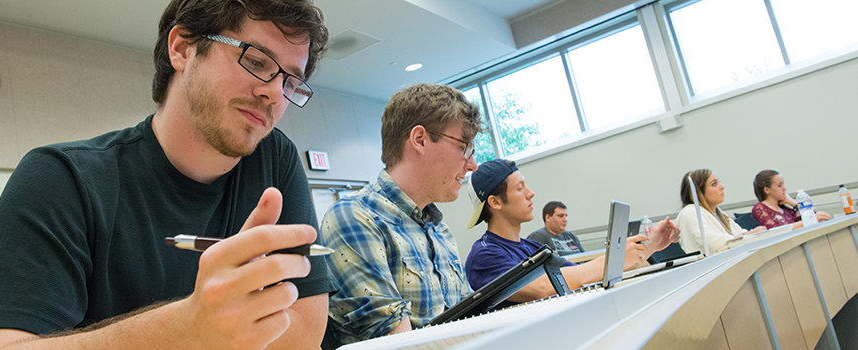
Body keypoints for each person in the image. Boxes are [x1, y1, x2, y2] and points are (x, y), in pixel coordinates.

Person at [0, 1, 334, 349]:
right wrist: (186, 329)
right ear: (183, 48)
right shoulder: (61, 178)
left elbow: (305, 331)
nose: (274, 94)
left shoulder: (275, 159)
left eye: (290, 82)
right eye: (256, 60)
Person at [322, 83, 482, 345]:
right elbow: (397, 342)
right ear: (420, 140)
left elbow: (469, 318)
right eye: (464, 147)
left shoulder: (439, 229)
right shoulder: (355, 217)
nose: (472, 164)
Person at [463, 159, 680, 305]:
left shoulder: (534, 248)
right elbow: (544, 287)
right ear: (495, 202)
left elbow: (579, 275)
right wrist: (617, 258)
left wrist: (653, 245)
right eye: (520, 188)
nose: (531, 193)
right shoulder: (484, 256)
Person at [677, 169, 766, 254]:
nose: (722, 187)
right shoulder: (690, 212)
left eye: (719, 182)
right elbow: (715, 244)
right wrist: (750, 235)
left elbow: (738, 233)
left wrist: (753, 234)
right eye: (714, 184)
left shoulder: (718, 213)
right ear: (698, 191)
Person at [750, 170, 831, 229]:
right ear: (767, 190)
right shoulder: (759, 208)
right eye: (779, 186)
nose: (784, 188)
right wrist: (810, 220)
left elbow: (811, 217)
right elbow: (775, 231)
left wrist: (794, 203)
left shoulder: (783, 208)